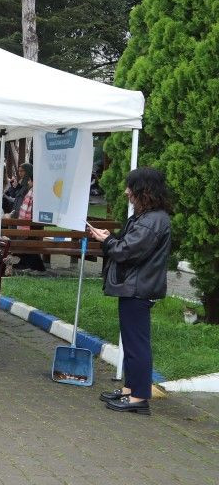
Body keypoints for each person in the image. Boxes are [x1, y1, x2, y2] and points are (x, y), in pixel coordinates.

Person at [88, 168, 172, 416]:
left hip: (139, 288)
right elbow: (128, 246)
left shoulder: (153, 220)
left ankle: (138, 397)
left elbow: (126, 251)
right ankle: (129, 389)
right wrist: (110, 238)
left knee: (137, 345)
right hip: (135, 286)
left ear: (144, 190)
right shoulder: (148, 217)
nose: (126, 192)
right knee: (133, 343)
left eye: (130, 187)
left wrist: (106, 241)